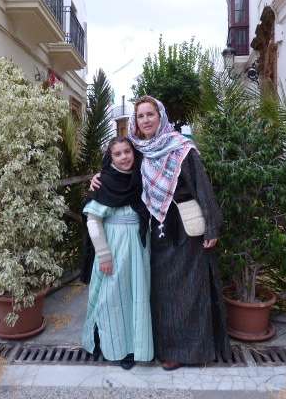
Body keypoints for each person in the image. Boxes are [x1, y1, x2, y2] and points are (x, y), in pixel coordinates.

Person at [91, 96, 231, 371]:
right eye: (140, 116)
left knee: (189, 289)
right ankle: (167, 348)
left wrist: (211, 225)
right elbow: (120, 167)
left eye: (150, 114)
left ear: (160, 116)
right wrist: (99, 178)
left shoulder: (181, 148)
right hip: (155, 230)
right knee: (162, 291)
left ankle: (191, 351)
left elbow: (201, 185)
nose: (145, 120)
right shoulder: (140, 150)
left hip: (185, 228)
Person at [81, 136, 153, 370]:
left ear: (134, 152)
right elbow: (93, 220)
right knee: (110, 297)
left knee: (134, 298)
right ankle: (106, 343)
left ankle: (131, 348)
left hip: (138, 248)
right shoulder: (105, 182)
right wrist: (103, 254)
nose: (124, 157)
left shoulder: (140, 177)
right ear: (110, 158)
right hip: (114, 248)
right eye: (118, 153)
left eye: (127, 152)